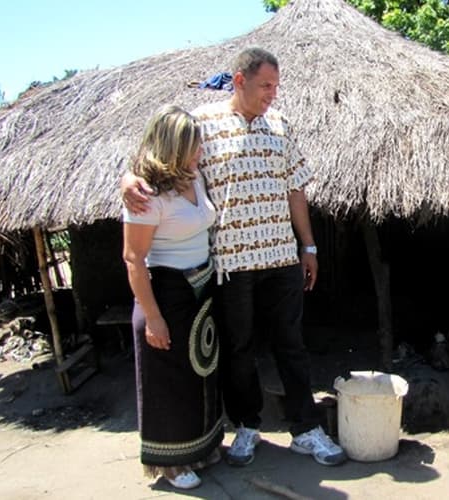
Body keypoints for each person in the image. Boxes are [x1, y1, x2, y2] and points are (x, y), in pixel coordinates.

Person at [122, 47, 346, 467]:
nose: (273, 95)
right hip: (229, 264)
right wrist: (128, 178)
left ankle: (306, 428)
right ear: (239, 80)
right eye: (266, 85)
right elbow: (157, 160)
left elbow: (295, 187)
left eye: (277, 86)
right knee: (238, 349)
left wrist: (309, 245)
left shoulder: (279, 124)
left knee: (291, 345)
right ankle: (247, 426)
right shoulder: (202, 124)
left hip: (280, 257)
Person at [123, 105, 222, 490]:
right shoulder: (146, 195)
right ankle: (171, 465)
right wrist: (153, 317)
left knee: (199, 372)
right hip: (166, 291)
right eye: (194, 146)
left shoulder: (194, 177)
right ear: (173, 147)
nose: (201, 152)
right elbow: (133, 259)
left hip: (200, 288)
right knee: (168, 381)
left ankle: (200, 449)